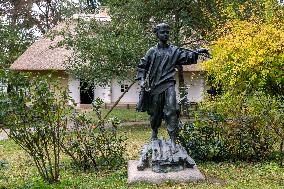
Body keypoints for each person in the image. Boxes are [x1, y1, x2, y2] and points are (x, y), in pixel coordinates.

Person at [136, 23, 209, 152]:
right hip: (155, 87)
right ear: (157, 34)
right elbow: (142, 66)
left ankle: (173, 140)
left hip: (169, 84)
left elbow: (187, 57)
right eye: (162, 32)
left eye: (167, 32)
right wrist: (142, 80)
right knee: (155, 113)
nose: (165, 34)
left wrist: (197, 52)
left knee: (172, 110)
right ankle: (154, 133)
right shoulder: (152, 51)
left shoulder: (174, 51)